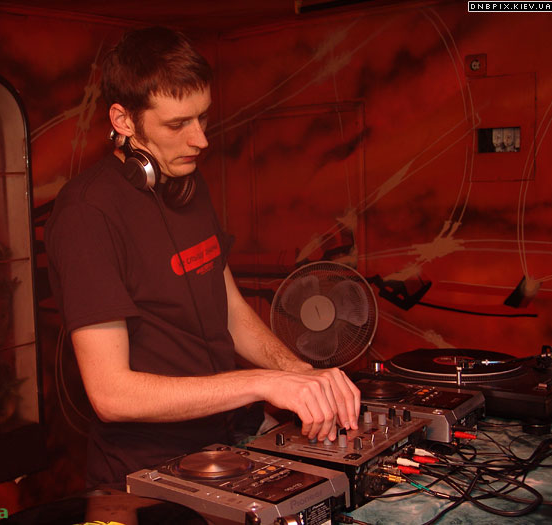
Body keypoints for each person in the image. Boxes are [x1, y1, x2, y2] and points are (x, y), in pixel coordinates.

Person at [45, 26, 360, 489]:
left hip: (222, 449)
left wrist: (300, 374)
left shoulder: (187, 183)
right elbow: (111, 394)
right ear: (123, 120)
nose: (200, 140)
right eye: (177, 125)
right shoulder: (87, 214)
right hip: (143, 475)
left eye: (203, 118)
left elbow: (229, 309)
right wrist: (262, 382)